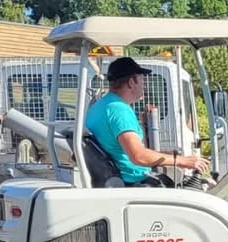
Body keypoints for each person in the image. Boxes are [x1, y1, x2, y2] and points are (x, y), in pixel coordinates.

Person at [85, 54, 208, 185]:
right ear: (132, 82)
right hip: (134, 182)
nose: (144, 85)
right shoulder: (119, 110)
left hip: (119, 178)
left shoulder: (99, 106)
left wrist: (172, 156)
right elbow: (138, 156)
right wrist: (181, 161)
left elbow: (125, 151)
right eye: (142, 79)